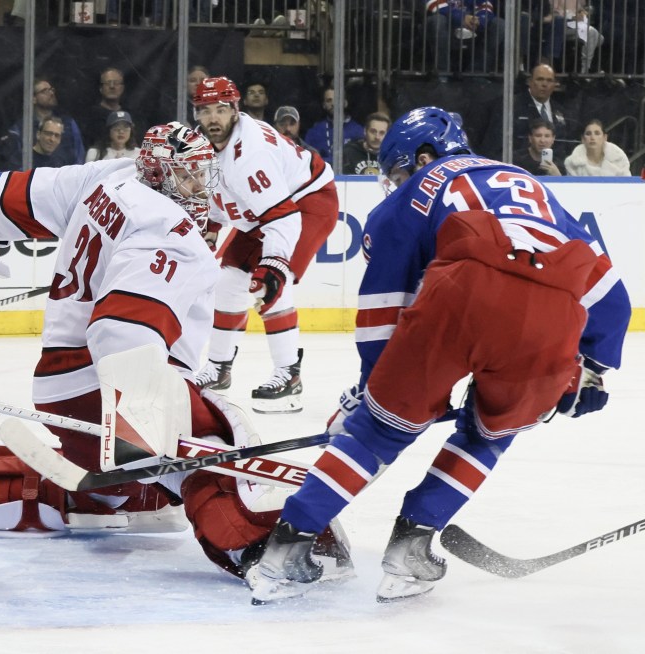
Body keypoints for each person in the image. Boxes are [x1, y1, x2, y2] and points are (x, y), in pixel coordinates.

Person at [0, 121, 352, 582]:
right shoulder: (169, 232)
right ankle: (254, 548)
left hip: (60, 386)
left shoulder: (110, 176)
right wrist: (140, 423)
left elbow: (17, 195)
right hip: (103, 385)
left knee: (151, 489)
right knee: (216, 445)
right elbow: (121, 333)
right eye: (186, 175)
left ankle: (21, 497)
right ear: (158, 174)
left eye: (202, 173)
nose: (200, 187)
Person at [248, 106, 631, 604]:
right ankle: (412, 546)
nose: (397, 180)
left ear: (425, 155)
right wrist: (593, 370)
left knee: (379, 431)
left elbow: (383, 307)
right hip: (549, 312)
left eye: (400, 169)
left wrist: (373, 393)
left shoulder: (415, 191)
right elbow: (611, 297)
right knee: (492, 431)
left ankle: (283, 552)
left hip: (461, 288)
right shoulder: (528, 184)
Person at [191, 77, 338, 414]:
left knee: (270, 284)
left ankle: (288, 374)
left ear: (235, 109)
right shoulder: (203, 144)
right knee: (228, 281)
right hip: (268, 210)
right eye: (205, 111)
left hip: (308, 201)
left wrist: (272, 264)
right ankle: (218, 367)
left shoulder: (250, 153)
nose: (213, 118)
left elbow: (283, 217)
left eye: (221, 110)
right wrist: (211, 228)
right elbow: (217, 194)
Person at [480, 63, 573, 161]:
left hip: (552, 172)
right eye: (540, 79)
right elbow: (495, 142)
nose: (544, 84)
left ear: (555, 84)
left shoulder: (560, 111)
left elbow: (564, 146)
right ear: (530, 81)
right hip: (518, 168)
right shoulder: (511, 106)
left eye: (549, 80)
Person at [6, 77, 85, 168]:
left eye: (51, 90)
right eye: (44, 91)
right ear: (33, 99)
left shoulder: (68, 124)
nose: (51, 93)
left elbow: (79, 156)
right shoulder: (21, 128)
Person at [425, 0, 505, 75]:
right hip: (442, 24)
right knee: (438, 21)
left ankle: (477, 72)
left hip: (470, 26)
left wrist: (479, 20)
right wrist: (461, 18)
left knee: (499, 25)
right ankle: (442, 73)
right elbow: (434, 3)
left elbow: (485, 4)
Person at [303, 86, 363, 165]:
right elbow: (307, 159)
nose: (333, 104)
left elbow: (363, 159)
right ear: (324, 105)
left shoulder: (358, 131)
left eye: (337, 99)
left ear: (345, 103)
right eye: (329, 100)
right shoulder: (314, 132)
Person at [563, 119, 632, 176]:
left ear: (605, 137)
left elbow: (628, 186)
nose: (592, 137)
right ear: (583, 139)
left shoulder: (619, 159)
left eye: (597, 133)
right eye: (588, 134)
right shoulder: (573, 163)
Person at [80, 67, 125, 147]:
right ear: (101, 88)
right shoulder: (88, 117)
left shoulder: (133, 117)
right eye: (108, 83)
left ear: (122, 88)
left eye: (116, 83)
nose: (112, 86)